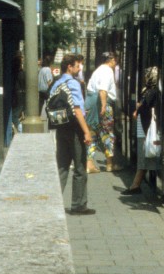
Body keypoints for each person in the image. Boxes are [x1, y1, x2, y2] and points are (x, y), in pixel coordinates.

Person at [51, 53, 96, 216]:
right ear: (70, 67)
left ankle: (52, 202)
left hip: (61, 128)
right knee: (79, 167)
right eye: (78, 66)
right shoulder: (73, 84)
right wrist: (86, 132)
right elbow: (77, 110)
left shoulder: (57, 82)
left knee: (62, 167)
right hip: (75, 130)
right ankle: (78, 205)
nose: (80, 68)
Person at [124, 66, 161, 195]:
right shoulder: (149, 90)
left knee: (145, 157)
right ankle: (135, 185)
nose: (145, 77)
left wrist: (139, 107)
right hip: (144, 128)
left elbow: (142, 108)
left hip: (146, 129)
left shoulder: (152, 92)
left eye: (147, 75)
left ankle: (135, 185)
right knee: (145, 157)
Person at [84, 52, 119, 173]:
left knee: (92, 133)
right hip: (103, 105)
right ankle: (109, 164)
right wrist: (104, 106)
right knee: (108, 133)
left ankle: (89, 164)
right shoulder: (107, 71)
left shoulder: (98, 70)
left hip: (91, 104)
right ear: (112, 60)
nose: (116, 63)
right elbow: (103, 90)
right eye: (116, 60)